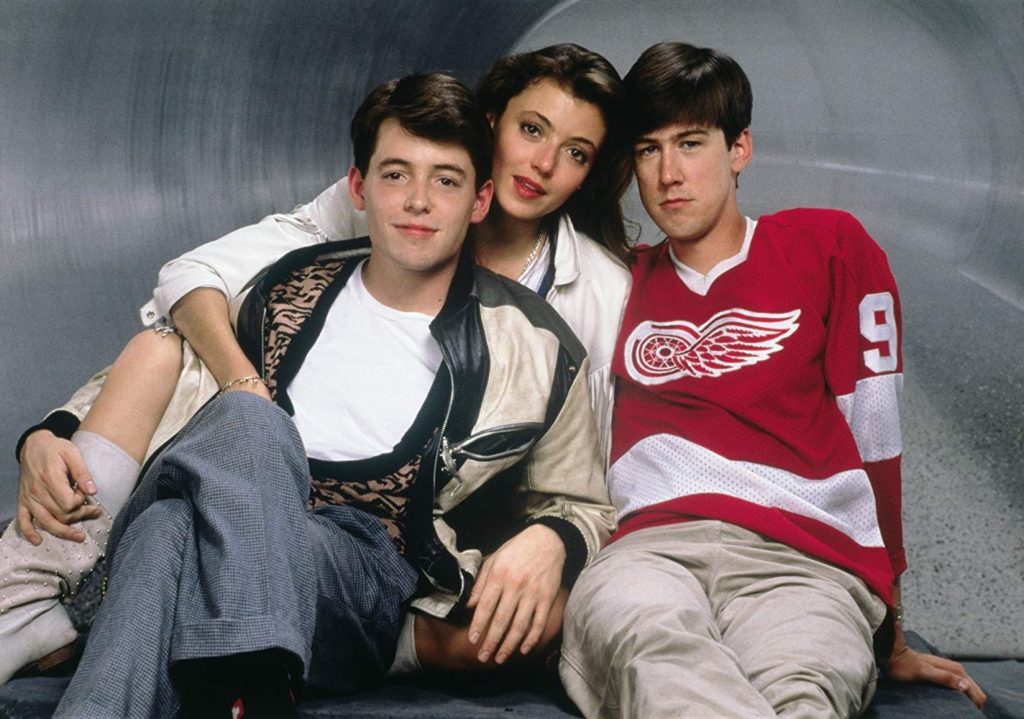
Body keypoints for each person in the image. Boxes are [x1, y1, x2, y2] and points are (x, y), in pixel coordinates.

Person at [0, 43, 632, 683]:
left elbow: (587, 479)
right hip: (255, 480)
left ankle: (71, 613)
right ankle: (227, 671)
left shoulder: (586, 305)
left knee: (176, 532)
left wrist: (552, 540)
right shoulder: (350, 228)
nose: (545, 163)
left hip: (411, 545)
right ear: (491, 124)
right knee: (186, 416)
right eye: (532, 130)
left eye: (577, 153)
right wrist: (59, 428)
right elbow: (190, 288)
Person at [557, 42, 988, 717]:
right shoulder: (613, 281)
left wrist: (893, 628)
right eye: (647, 150)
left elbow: (878, 440)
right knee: (656, 657)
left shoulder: (828, 248)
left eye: (691, 143)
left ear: (740, 149)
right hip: (649, 554)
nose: (669, 174)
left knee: (804, 685)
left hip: (803, 561)